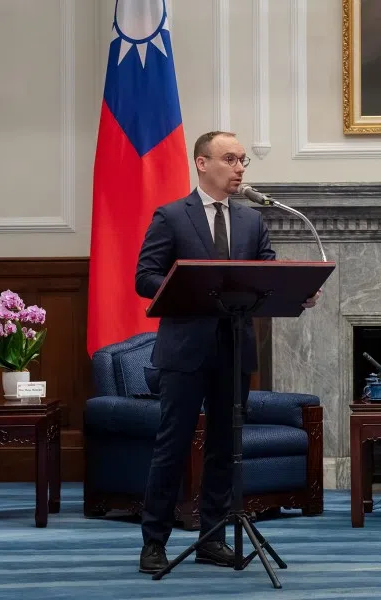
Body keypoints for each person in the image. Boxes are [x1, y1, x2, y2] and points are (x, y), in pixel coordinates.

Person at [134, 131, 321, 574]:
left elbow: (266, 272)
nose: (240, 168)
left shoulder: (253, 221)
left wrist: (296, 290)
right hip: (185, 352)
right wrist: (186, 285)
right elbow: (145, 276)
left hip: (235, 351)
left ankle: (212, 539)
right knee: (172, 446)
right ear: (202, 163)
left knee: (225, 447)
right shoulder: (172, 216)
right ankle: (153, 542)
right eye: (231, 159)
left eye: (243, 161)